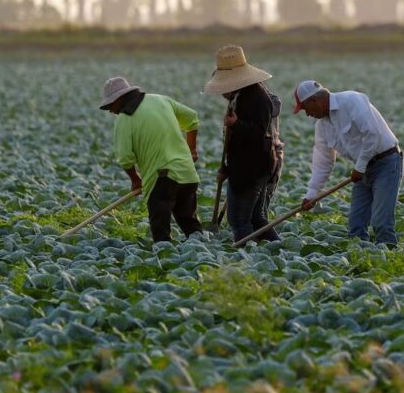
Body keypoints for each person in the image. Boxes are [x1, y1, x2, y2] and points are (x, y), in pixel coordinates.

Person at [294, 80, 403, 246]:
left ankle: (391, 260)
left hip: (386, 163)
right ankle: (361, 264)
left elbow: (372, 134)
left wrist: (359, 167)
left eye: (305, 109)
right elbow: (323, 162)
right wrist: (312, 194)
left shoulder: (352, 100)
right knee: (356, 227)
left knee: (381, 222)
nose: (307, 114)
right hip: (362, 171)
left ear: (313, 101)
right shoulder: (322, 127)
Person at [100, 76, 202, 242]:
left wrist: (135, 179)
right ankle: (204, 260)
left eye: (111, 105)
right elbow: (192, 119)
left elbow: (125, 158)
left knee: (160, 231)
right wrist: (191, 149)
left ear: (120, 99)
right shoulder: (161, 100)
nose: (111, 110)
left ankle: (164, 264)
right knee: (190, 224)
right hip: (188, 174)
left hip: (162, 179)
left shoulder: (125, 119)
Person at [204, 45, 283, 244]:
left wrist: (236, 124)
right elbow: (241, 144)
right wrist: (228, 169)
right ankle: (275, 249)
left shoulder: (255, 98)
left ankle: (247, 258)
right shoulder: (242, 95)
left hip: (252, 170)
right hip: (252, 166)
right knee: (258, 219)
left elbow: (259, 134)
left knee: (239, 220)